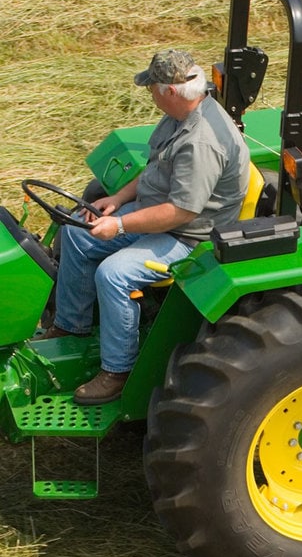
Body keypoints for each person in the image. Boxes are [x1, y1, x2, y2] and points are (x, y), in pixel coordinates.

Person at [44, 49, 251, 405]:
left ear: (170, 91)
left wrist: (120, 224)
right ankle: (70, 328)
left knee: (114, 274)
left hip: (187, 236)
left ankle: (118, 371)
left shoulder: (201, 142)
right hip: (155, 209)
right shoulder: (179, 115)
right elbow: (155, 166)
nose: (149, 93)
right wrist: (119, 199)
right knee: (76, 233)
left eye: (152, 87)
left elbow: (181, 212)